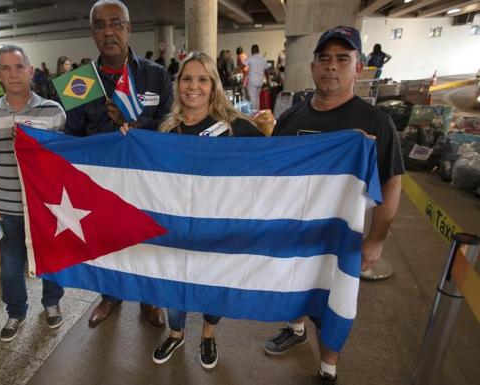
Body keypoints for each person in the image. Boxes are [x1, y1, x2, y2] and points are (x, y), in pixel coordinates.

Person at [264, 26, 404, 385]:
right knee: (293, 287)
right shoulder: (292, 118)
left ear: (358, 69)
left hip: (339, 237)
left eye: (343, 59)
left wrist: (375, 239)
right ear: (312, 68)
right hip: (292, 231)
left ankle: (328, 368)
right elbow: (272, 172)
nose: (332, 67)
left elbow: (391, 185)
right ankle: (295, 330)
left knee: (332, 303)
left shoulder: (375, 123)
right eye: (324, 59)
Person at [120, 52, 262, 369]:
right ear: (178, 83)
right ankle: (176, 333)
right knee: (173, 283)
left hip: (217, 229)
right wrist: (130, 141)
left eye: (202, 79)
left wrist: (345, 144)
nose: (193, 86)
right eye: (186, 78)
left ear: (213, 85)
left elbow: (276, 157)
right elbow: (149, 173)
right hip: (176, 227)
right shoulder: (167, 128)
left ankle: (208, 335)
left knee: (213, 285)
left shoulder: (234, 127)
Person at [64, 0, 173, 329]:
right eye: (100, 25)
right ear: (92, 33)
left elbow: (171, 127)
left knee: (148, 239)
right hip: (101, 184)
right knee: (105, 241)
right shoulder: (78, 81)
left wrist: (137, 123)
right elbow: (73, 135)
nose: (108, 31)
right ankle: (110, 294)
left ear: (129, 28)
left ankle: (150, 298)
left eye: (116, 23)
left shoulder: (155, 75)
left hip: (147, 180)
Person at [0, 45, 67, 342]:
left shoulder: (53, 111)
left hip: (45, 206)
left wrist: (35, 143)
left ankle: (51, 302)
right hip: (6, 207)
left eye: (18, 66)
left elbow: (64, 159)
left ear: (31, 70)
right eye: (5, 68)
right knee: (11, 264)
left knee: (51, 259)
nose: (13, 74)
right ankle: (16, 312)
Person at [245, 44, 268, 111]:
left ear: (252, 50)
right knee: (257, 97)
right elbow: (266, 71)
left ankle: (253, 112)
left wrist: (235, 71)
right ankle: (257, 111)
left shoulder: (251, 58)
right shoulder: (263, 59)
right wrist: (268, 80)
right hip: (260, 81)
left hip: (252, 81)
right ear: (258, 50)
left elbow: (243, 65)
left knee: (252, 97)